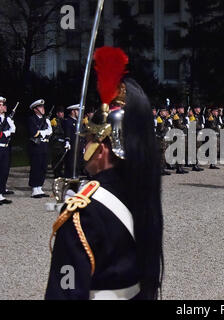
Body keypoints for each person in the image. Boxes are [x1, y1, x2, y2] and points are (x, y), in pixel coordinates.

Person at [46, 46, 163, 300]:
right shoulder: (140, 192)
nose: (85, 145)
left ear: (104, 148)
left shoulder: (83, 211)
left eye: (90, 138)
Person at [28, 99, 52, 198]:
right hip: (36, 146)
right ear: (35, 109)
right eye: (40, 107)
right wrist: (44, 132)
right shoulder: (31, 119)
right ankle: (34, 188)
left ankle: (39, 187)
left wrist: (43, 132)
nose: (43, 109)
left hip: (44, 145)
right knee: (36, 166)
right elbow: (34, 133)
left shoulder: (46, 120)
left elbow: (50, 131)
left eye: (43, 107)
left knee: (43, 167)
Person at [0, 97, 15, 204]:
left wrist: (8, 131)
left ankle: (0, 193)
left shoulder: (6, 119)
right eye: (1, 105)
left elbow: (13, 130)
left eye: (4, 104)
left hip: (5, 147)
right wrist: (6, 132)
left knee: (4, 171)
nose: (4, 106)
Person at [50, 106, 66, 178]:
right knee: (56, 158)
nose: (62, 114)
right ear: (57, 114)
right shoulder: (54, 121)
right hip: (56, 143)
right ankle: (56, 173)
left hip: (63, 142)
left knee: (62, 158)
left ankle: (60, 172)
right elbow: (54, 132)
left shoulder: (65, 121)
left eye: (62, 112)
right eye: (60, 113)